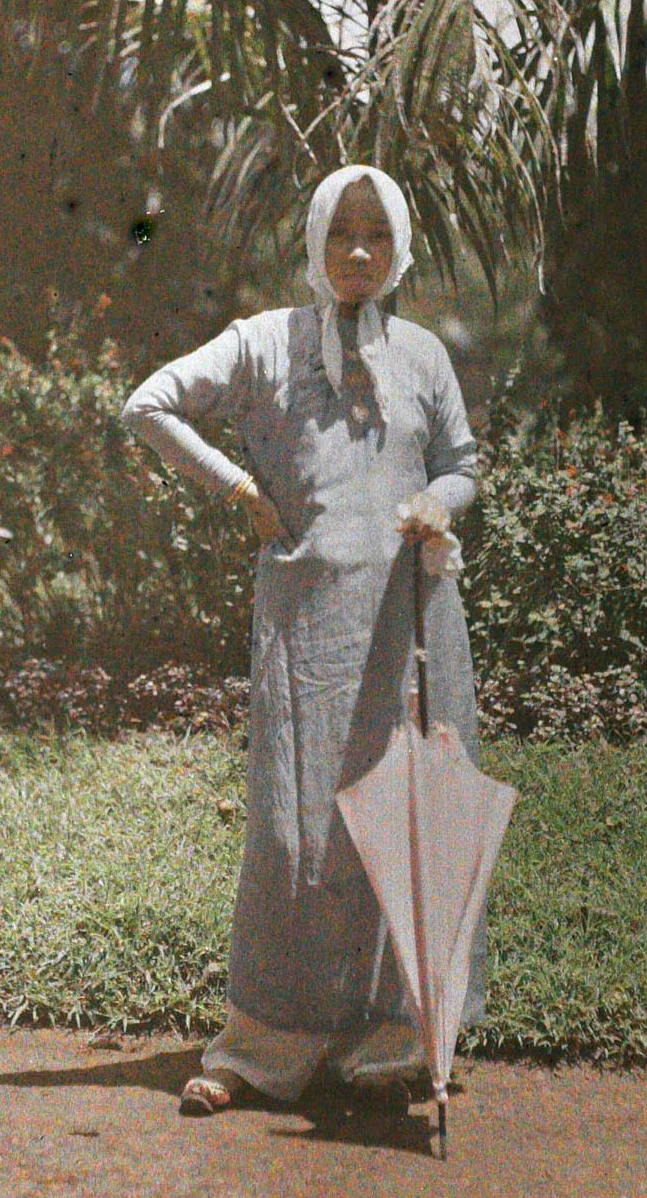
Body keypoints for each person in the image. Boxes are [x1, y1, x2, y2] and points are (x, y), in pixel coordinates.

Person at [119, 164, 485, 1117]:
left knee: (402, 820)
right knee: (294, 833)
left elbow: (462, 466)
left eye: (376, 234)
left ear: (398, 247)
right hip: (307, 629)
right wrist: (241, 490)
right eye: (340, 233)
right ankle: (263, 1048)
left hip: (407, 623)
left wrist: (435, 502)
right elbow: (147, 404)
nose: (358, 251)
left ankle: (395, 1043)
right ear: (316, 242)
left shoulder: (422, 355)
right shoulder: (263, 343)